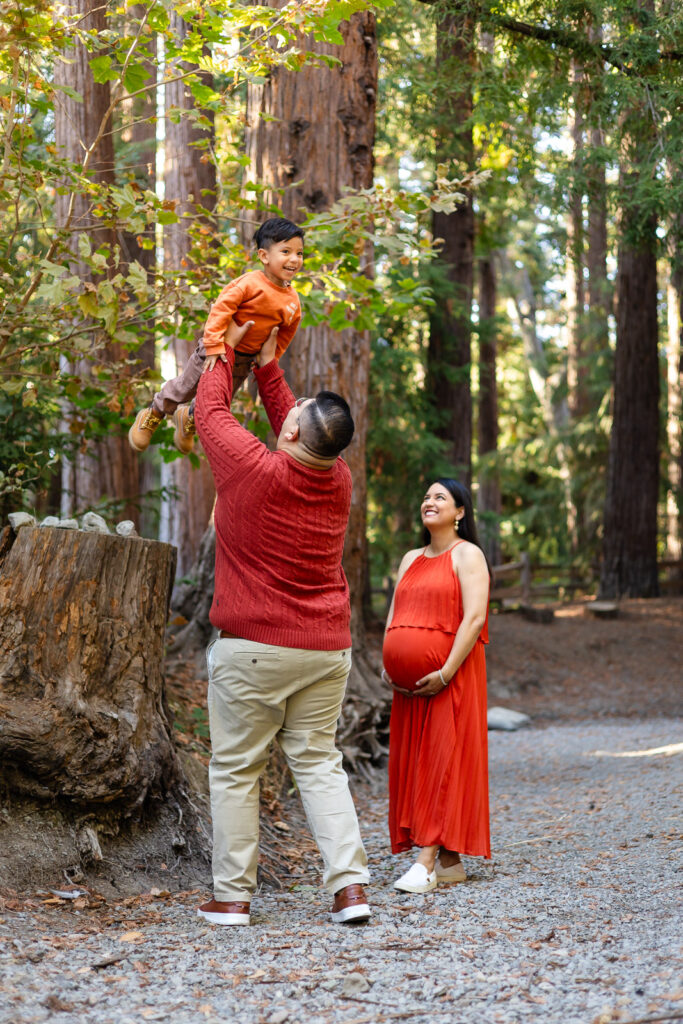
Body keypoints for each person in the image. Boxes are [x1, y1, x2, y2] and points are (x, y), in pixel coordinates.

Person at [193, 316, 371, 927]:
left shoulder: (253, 470)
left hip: (254, 649)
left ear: (294, 429)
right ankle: (350, 889)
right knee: (319, 763)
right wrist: (268, 367)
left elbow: (210, 414)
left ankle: (233, 897)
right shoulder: (337, 478)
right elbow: (299, 428)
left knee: (237, 770)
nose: (289, 414)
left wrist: (221, 354)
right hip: (325, 649)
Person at [381, 478, 491, 893]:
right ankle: (448, 861)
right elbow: (396, 613)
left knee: (440, 763)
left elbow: (475, 618)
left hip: (451, 678)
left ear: (460, 512)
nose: (429, 502)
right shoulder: (410, 558)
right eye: (425, 496)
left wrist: (445, 672)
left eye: (439, 497)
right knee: (418, 764)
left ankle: (425, 863)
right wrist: (387, 663)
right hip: (407, 687)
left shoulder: (469, 555)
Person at [128, 217, 304, 455]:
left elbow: (285, 332)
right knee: (186, 387)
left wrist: (267, 362)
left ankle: (187, 420)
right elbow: (221, 309)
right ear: (264, 256)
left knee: (220, 399)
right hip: (217, 349)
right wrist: (212, 345)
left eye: (300, 253)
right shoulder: (250, 283)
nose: (294, 259)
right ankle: (154, 413)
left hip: (246, 360)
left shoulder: (292, 300)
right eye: (286, 251)